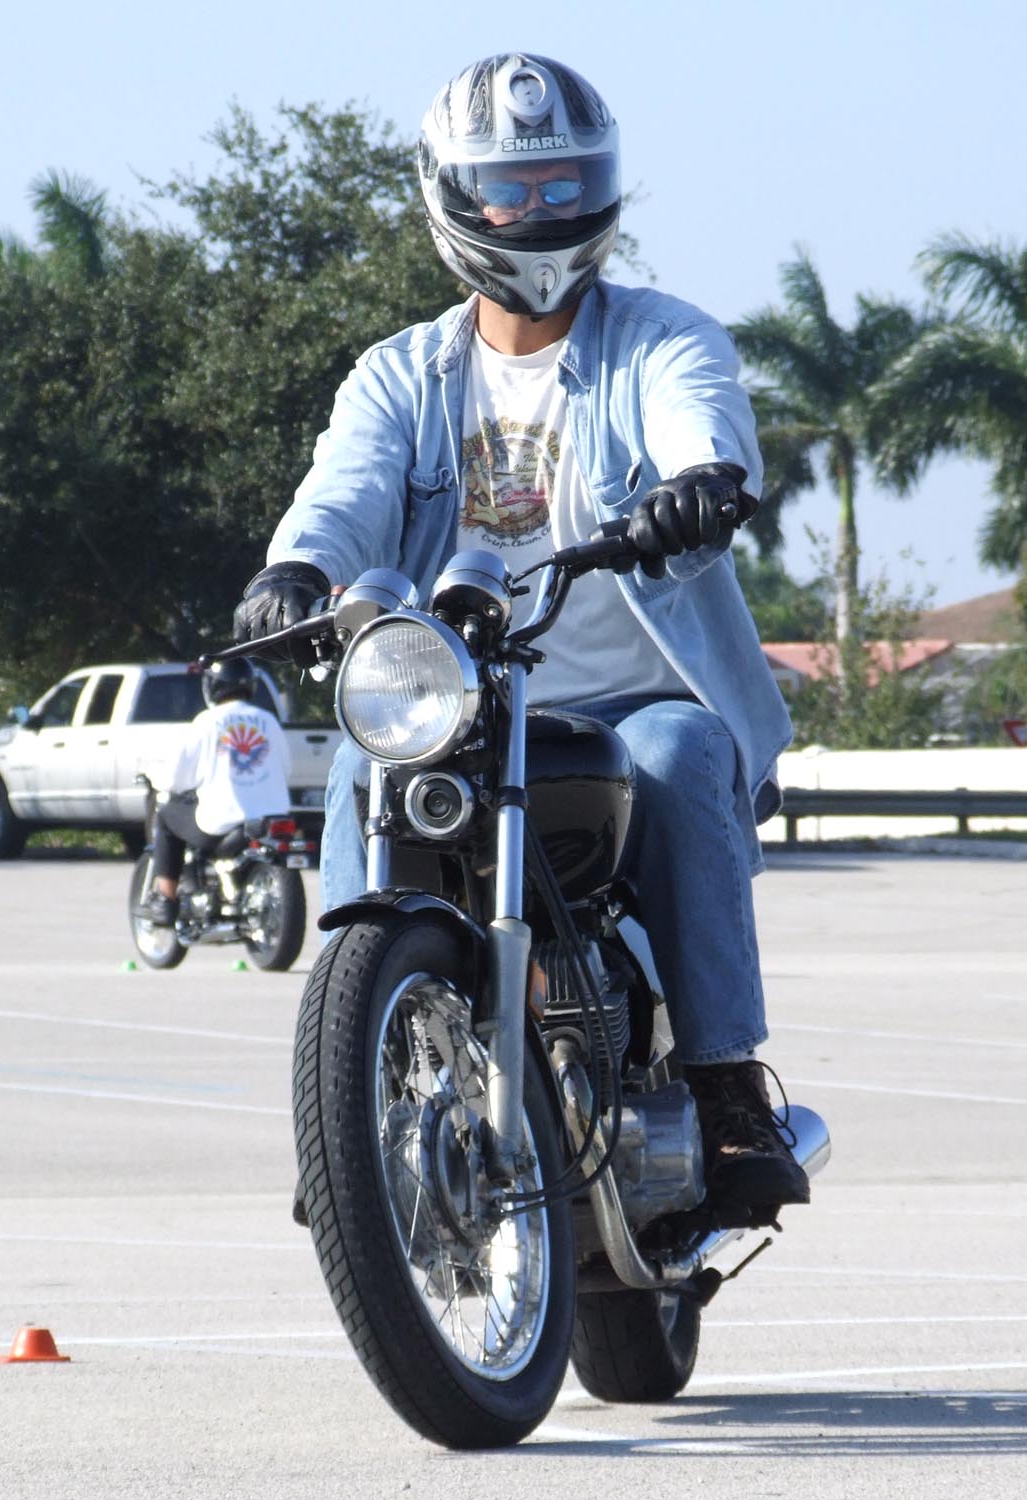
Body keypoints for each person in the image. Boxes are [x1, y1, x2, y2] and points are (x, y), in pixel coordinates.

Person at [233, 53, 807, 1224]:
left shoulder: (663, 339)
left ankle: (726, 1085)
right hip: (456, 702)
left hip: (638, 705)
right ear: (455, 198)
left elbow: (704, 421)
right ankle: (357, 1097)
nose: (540, 211)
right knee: (354, 771)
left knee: (683, 752)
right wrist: (295, 570)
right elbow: (342, 493)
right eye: (510, 189)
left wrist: (702, 482)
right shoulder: (401, 375)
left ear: (603, 187)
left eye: (563, 184)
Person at [134, 658, 292, 927]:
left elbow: (176, 776)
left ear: (213, 686)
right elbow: (286, 768)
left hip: (224, 823)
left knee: (167, 816)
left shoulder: (207, 722)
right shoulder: (269, 721)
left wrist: (154, 777)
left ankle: (165, 899)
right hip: (271, 819)